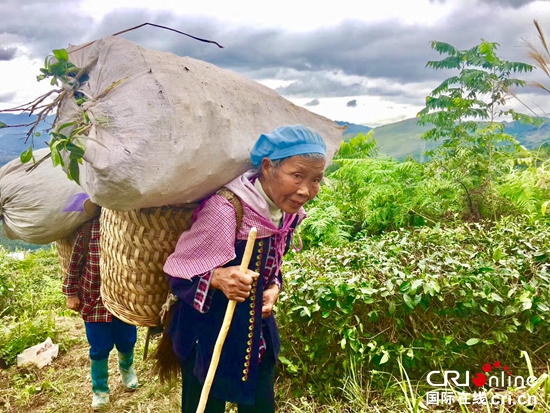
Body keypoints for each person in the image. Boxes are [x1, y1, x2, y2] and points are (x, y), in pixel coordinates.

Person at [163, 124, 327, 412]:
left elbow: (274, 262)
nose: (305, 190)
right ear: (267, 167)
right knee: (204, 405)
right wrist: (217, 277)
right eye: (297, 175)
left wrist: (274, 286)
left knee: (260, 404)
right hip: (208, 336)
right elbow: (177, 271)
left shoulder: (286, 213)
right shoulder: (227, 210)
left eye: (316, 180)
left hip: (254, 336)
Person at [62, 200, 139, 410]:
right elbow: (75, 264)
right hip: (94, 301)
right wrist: (71, 293)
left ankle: (127, 370)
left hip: (123, 298)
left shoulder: (128, 229)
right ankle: (100, 389)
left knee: (127, 340)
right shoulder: (88, 231)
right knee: (99, 347)